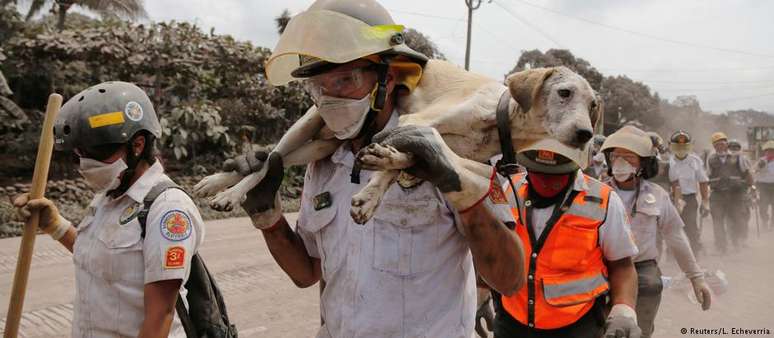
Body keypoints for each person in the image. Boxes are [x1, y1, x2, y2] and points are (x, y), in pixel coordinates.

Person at [229, 1, 526, 337]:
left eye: (344, 80)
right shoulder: (324, 162)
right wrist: (268, 218)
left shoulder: (450, 147)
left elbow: (510, 279)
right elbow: (307, 272)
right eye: (318, 87)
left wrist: (459, 189)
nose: (329, 98)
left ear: (389, 75)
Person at [13, 81, 204, 337]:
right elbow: (102, 261)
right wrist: (54, 225)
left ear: (137, 145)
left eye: (96, 151)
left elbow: (160, 316)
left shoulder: (167, 210)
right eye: (80, 153)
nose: (86, 163)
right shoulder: (109, 195)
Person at [494, 138, 642, 338]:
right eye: (538, 173)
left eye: (555, 176)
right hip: (512, 322)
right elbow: (496, 254)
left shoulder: (604, 201)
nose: (546, 182)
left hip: (577, 326)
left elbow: (622, 265)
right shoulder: (509, 190)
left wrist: (624, 310)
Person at [601, 126, 712, 338]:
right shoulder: (597, 192)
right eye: (615, 156)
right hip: (601, 268)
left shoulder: (658, 196)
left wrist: (696, 278)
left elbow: (676, 237)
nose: (620, 162)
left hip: (643, 270)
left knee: (640, 327)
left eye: (629, 157)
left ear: (644, 163)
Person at [707, 132, 755, 253]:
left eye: (722, 143)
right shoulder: (710, 159)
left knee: (736, 219)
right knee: (717, 221)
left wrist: (749, 187)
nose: (720, 146)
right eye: (717, 144)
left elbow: (748, 175)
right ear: (714, 146)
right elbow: (705, 177)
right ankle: (721, 247)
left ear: (727, 144)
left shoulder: (739, 158)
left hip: (735, 194)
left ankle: (736, 243)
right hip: (717, 194)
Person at [668, 130, 710, 255]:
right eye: (678, 146)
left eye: (684, 146)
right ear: (672, 146)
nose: (681, 149)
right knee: (671, 228)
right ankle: (672, 255)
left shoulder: (695, 161)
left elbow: (703, 182)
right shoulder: (668, 162)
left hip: (689, 199)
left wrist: (705, 202)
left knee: (691, 227)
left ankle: (694, 253)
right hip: (670, 199)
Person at [755, 140, 774, 230]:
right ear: (765, 151)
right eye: (767, 151)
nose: (769, 152)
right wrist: (759, 167)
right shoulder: (761, 161)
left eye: (772, 151)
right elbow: (754, 171)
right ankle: (764, 221)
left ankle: (773, 223)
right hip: (763, 186)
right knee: (763, 206)